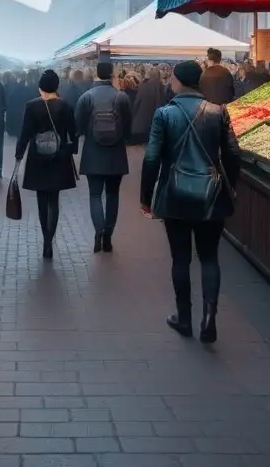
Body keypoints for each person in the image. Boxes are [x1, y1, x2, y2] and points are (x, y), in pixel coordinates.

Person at [141, 60, 242, 343]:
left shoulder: (164, 114)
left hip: (175, 194)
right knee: (209, 257)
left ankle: (184, 317)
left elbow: (151, 158)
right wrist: (230, 186)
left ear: (177, 81)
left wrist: (146, 198)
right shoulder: (218, 111)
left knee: (180, 259)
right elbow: (233, 154)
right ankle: (209, 318)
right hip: (212, 194)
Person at [14, 69, 78, 259]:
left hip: (37, 157)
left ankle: (45, 239)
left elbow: (25, 132)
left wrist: (19, 153)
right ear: (57, 86)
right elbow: (73, 132)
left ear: (40, 86)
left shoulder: (31, 106)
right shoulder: (65, 105)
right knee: (54, 200)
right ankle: (50, 239)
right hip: (59, 156)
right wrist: (70, 150)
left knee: (42, 200)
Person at [75, 60, 132, 253]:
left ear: (97, 74)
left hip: (93, 152)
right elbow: (128, 127)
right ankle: (108, 234)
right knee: (113, 195)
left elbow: (79, 126)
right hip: (116, 154)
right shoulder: (121, 97)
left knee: (94, 194)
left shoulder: (86, 97)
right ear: (112, 74)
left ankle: (98, 230)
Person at [130, 66, 167, 144]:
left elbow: (137, 102)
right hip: (153, 121)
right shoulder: (159, 85)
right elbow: (161, 102)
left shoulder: (143, 85)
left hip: (141, 122)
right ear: (158, 75)